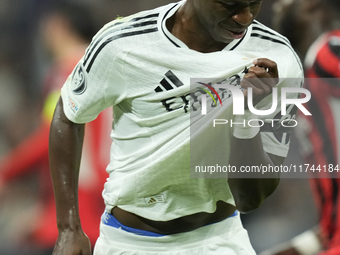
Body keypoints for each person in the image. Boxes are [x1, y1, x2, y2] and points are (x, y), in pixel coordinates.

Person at [49, 0, 304, 254]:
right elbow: (69, 114)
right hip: (129, 243)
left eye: (254, 4)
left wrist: (245, 113)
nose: (245, 17)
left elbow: (251, 199)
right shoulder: (123, 44)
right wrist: (69, 227)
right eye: (230, 5)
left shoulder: (277, 59)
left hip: (222, 240)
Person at [0, 2, 111, 254]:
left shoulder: (68, 73)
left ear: (59, 26)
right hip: (106, 208)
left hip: (77, 213)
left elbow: (53, 136)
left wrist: (7, 172)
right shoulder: (106, 69)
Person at [260, 0, 340, 254]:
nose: (277, 5)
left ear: (313, 6)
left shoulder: (326, 50)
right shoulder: (309, 86)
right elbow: (331, 230)